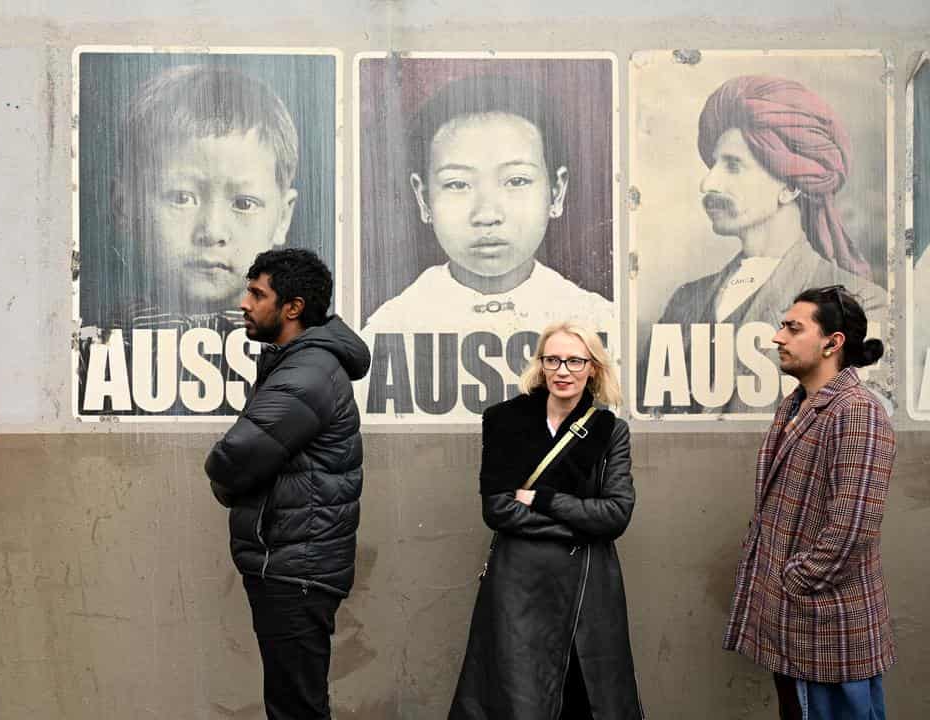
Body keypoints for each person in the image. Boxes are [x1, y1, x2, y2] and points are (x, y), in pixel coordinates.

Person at [651, 75, 887, 412]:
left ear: (789, 186)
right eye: (713, 164)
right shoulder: (685, 301)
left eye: (733, 166)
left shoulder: (863, 305)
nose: (708, 182)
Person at [204, 248, 371, 719]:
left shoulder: (307, 373)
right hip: (295, 563)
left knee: (296, 707)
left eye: (258, 293)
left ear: (292, 307)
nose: (244, 303)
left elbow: (230, 461)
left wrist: (226, 487)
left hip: (295, 567)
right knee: (296, 702)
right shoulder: (301, 364)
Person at [449, 321, 643, 719]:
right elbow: (498, 509)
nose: (563, 370)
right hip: (520, 586)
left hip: (589, 588)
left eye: (575, 360)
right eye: (552, 359)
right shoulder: (505, 420)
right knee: (516, 698)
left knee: (586, 698)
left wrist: (543, 498)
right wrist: (580, 526)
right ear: (540, 366)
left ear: (593, 368)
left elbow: (616, 514)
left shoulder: (609, 431)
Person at [723, 286, 895, 720]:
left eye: (793, 327)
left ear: (832, 342)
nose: (778, 337)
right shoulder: (798, 405)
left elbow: (852, 529)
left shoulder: (856, 411)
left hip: (829, 630)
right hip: (795, 627)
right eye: (782, 326)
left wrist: (793, 581)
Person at [363, 73, 613, 336]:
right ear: (423, 199)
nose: (487, 214)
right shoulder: (389, 330)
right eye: (457, 184)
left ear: (557, 191)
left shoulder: (599, 323)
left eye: (516, 180)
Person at [106, 63, 300, 331]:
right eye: (181, 198)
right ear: (124, 207)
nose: (212, 231)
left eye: (244, 203)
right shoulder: (91, 344)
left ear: (283, 218)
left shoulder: (301, 350)